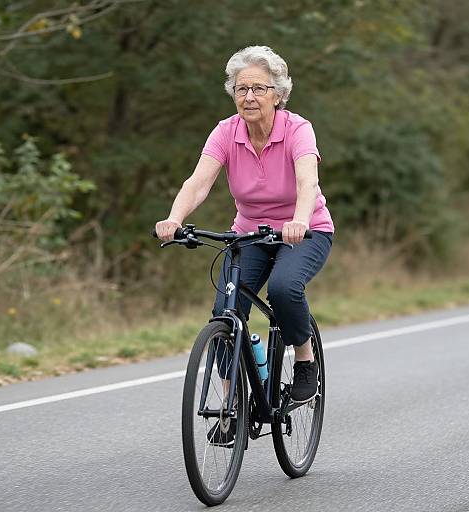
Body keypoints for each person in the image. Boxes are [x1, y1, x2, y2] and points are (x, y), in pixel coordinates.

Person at [155, 45, 334, 445]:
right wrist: (174, 218)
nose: (248, 97)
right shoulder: (225, 131)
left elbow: (308, 182)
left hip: (305, 230)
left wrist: (300, 220)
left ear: (278, 93)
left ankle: (304, 362)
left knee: (285, 288)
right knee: (224, 311)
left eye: (258, 88)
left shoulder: (297, 129)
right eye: (241, 89)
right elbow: (198, 182)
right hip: (250, 233)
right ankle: (232, 402)